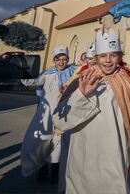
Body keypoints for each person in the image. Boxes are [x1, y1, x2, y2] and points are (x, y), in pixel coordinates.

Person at [52, 28, 130, 194]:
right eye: (103, 56)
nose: (107, 61)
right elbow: (59, 120)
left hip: (115, 155)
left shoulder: (126, 81)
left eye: (113, 55)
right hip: (85, 156)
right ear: (96, 57)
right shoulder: (82, 79)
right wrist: (81, 95)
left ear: (119, 56)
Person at [20, 46, 76, 184]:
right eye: (59, 59)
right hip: (46, 116)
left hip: (63, 114)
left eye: (64, 59)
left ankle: (56, 173)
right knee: (43, 142)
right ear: (54, 60)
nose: (62, 62)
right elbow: (32, 82)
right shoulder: (47, 74)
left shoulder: (73, 73)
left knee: (59, 144)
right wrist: (22, 71)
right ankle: (42, 171)